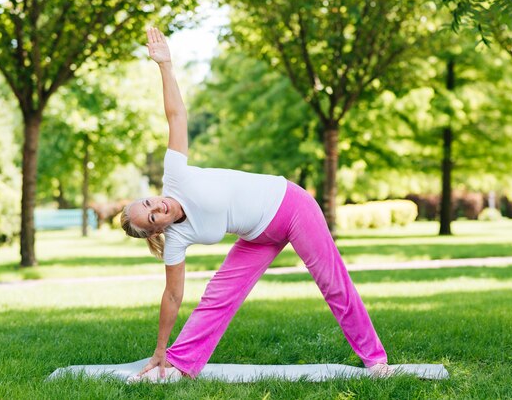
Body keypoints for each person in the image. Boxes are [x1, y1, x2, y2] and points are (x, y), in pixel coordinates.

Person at [121, 27, 391, 382]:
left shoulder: (175, 175)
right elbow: (172, 296)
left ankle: (375, 360)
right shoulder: (177, 240)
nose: (157, 207)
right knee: (218, 296)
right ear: (157, 230)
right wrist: (158, 349)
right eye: (152, 217)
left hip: (290, 205)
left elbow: (176, 118)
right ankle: (178, 363)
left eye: (148, 202)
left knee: (331, 281)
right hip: (257, 235)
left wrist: (166, 67)